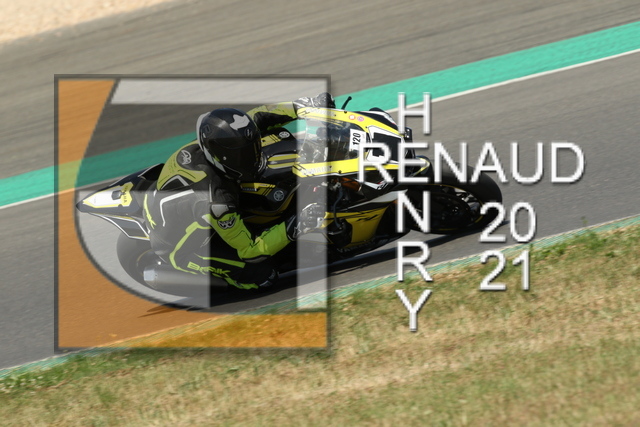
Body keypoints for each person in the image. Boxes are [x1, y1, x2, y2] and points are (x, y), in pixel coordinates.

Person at [142, 93, 335, 289]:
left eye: (251, 149)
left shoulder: (213, 142)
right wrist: (297, 225)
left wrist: (302, 107)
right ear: (222, 157)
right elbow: (250, 250)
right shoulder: (217, 201)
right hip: (185, 247)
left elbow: (258, 116)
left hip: (181, 207)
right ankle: (233, 281)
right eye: (242, 155)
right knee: (263, 274)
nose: (252, 157)